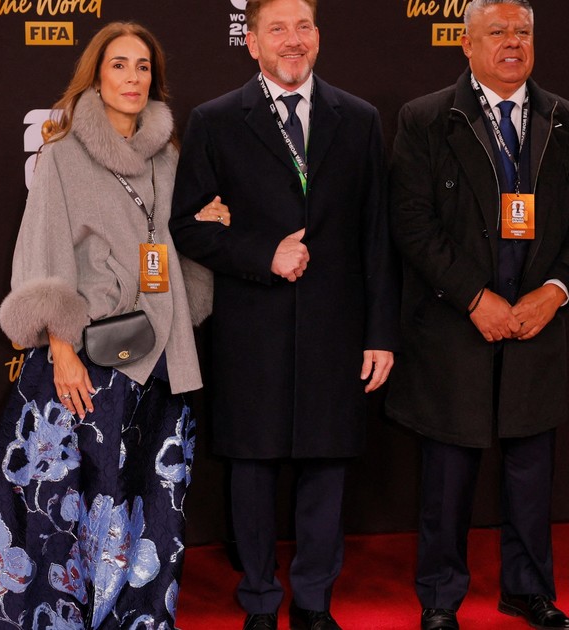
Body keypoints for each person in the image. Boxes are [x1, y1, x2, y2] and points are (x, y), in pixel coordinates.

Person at [0, 22, 213, 630]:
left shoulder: (170, 157)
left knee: (152, 500)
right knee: (70, 505)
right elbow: (44, 255)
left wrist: (209, 220)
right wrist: (61, 350)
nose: (132, 78)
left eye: (143, 67)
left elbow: (179, 241)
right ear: (96, 76)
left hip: (162, 357)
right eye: (119, 65)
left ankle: (139, 618)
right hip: (92, 359)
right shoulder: (63, 156)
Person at [169, 1, 399, 628]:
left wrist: (381, 333)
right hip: (252, 330)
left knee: (327, 466)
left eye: (303, 27)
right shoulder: (215, 120)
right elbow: (186, 225)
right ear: (252, 43)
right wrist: (262, 254)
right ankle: (260, 601)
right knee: (251, 469)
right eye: (277, 29)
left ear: (317, 37)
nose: (292, 41)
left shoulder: (359, 119)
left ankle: (315, 604)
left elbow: (377, 236)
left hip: (336, 330)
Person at [385, 1, 569, 629]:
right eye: (498, 32)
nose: (513, 42)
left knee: (532, 475)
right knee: (447, 480)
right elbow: (411, 223)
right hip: (455, 327)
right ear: (466, 43)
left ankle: (529, 590)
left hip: (537, 327)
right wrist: (474, 297)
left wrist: (555, 291)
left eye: (523, 32)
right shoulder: (426, 119)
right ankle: (440, 598)